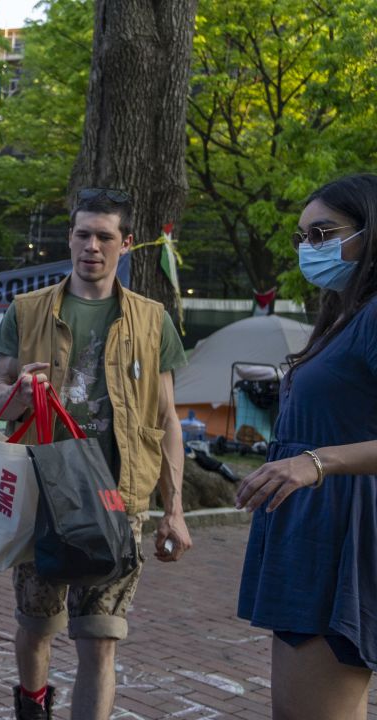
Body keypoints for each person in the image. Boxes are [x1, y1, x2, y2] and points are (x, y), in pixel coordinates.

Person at [0, 188, 191, 720]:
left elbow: (168, 419)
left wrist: (174, 510)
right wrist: (17, 393)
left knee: (99, 640)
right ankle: (33, 709)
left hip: (118, 500)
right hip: (43, 498)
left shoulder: (152, 321)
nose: (92, 247)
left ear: (125, 244)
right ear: (70, 239)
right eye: (82, 234)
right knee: (36, 628)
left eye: (104, 236)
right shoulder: (27, 310)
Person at [236, 174, 377, 720]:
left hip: (341, 535)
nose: (308, 249)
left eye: (323, 233)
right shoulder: (341, 318)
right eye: (302, 237)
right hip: (309, 533)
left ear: (369, 233)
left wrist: (316, 462)